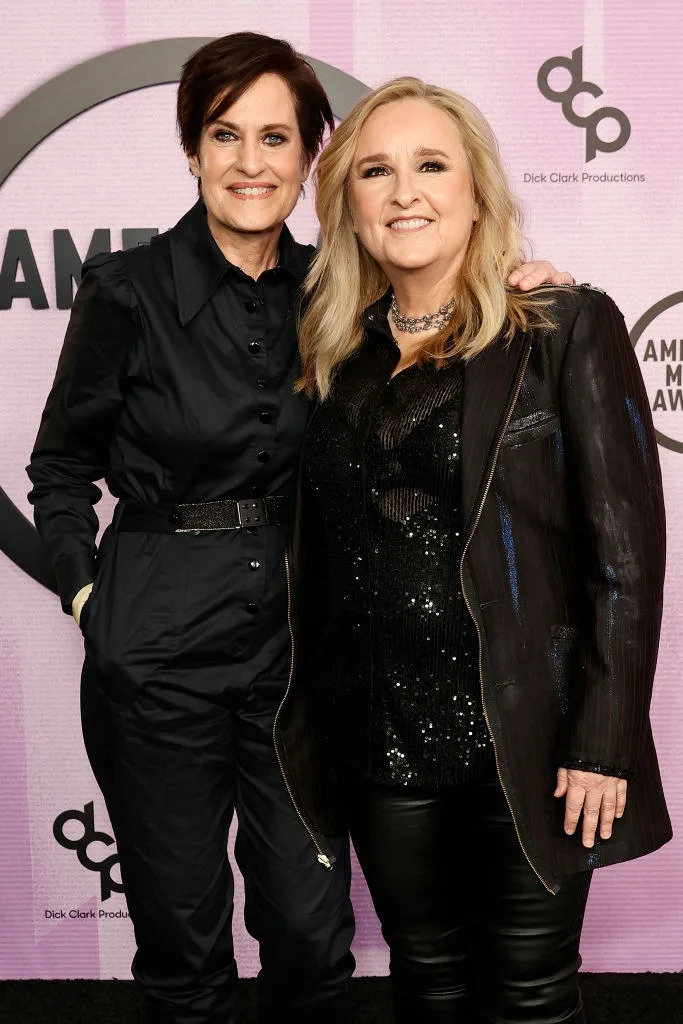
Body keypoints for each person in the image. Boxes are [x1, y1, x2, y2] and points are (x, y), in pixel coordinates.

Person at [27, 32, 573, 1024]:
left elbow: (444, 328)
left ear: (308, 155)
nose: (249, 161)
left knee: (312, 934)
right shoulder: (125, 293)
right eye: (223, 135)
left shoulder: (344, 295)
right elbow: (59, 465)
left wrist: (520, 284)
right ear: (190, 149)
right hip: (152, 649)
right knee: (183, 939)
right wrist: (86, 589)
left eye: (274, 137)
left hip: (298, 657)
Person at [277, 77, 672, 1024]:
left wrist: (604, 741)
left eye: (430, 165)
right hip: (378, 739)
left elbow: (624, 554)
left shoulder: (561, 326)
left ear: (477, 189)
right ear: (349, 205)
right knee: (426, 984)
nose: (403, 190)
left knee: (529, 999)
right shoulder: (335, 354)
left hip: (529, 740)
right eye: (375, 170)